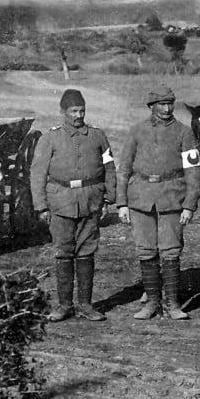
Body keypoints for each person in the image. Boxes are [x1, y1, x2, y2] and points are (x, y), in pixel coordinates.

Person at [115, 84, 200, 321]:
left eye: (170, 104)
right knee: (146, 250)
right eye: (161, 104)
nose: (166, 109)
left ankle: (172, 303)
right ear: (151, 106)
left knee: (171, 251)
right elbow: (124, 169)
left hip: (172, 198)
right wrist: (121, 203)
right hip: (140, 198)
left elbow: (193, 171)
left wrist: (189, 205)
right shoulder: (136, 131)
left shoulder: (184, 132)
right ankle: (152, 302)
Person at [30, 89, 117, 322]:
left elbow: (109, 168)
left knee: (87, 251)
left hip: (91, 201)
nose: (79, 115)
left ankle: (86, 305)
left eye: (82, 111)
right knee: (64, 252)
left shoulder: (98, 136)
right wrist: (41, 206)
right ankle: (64, 305)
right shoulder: (50, 138)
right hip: (61, 202)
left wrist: (108, 199)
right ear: (63, 112)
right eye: (74, 111)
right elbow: (37, 173)